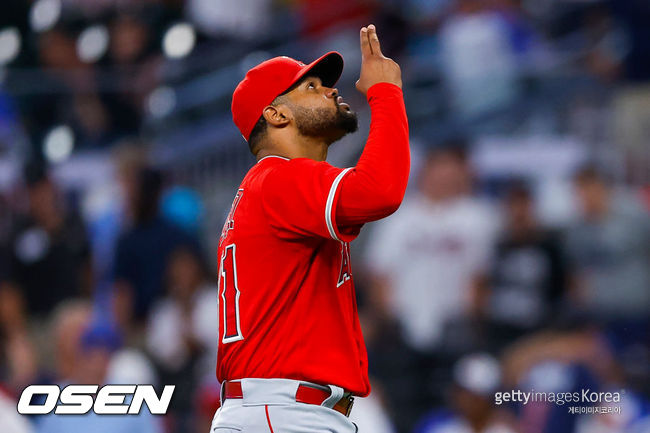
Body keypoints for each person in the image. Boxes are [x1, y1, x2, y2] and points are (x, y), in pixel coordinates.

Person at [212, 24, 408, 432]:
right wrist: (386, 92)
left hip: (277, 409)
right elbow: (380, 191)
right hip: (284, 412)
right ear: (276, 113)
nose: (331, 90)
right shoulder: (279, 180)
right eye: (311, 86)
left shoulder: (272, 188)